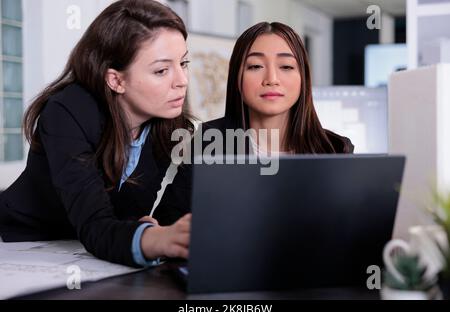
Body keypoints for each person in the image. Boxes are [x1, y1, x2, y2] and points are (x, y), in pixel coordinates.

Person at [0, 0, 192, 268]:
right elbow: (95, 223)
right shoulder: (68, 111)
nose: (182, 80)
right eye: (162, 70)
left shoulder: (170, 126)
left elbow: (128, 219)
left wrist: (150, 231)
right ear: (116, 80)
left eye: (183, 63)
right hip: (20, 245)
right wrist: (156, 238)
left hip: (89, 252)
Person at [199, 21, 354, 154]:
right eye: (255, 66)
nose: (271, 80)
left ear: (303, 78)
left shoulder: (335, 149)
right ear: (236, 77)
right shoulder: (206, 143)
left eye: (286, 67)